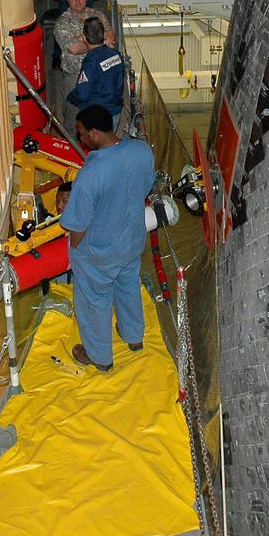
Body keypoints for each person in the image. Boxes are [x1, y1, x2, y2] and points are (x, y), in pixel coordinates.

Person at [58, 104, 155, 372]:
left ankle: (99, 356)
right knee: (127, 285)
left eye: (81, 134)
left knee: (93, 299)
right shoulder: (141, 151)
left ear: (95, 133)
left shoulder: (91, 173)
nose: (80, 139)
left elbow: (77, 222)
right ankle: (133, 336)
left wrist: (75, 250)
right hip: (132, 240)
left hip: (99, 251)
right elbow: (145, 186)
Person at [52, 0, 112, 124]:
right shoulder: (62, 23)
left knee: (99, 119)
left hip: (100, 75)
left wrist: (84, 41)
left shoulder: (97, 15)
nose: (78, 1)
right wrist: (100, 42)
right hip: (75, 77)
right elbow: (73, 48)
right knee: (73, 119)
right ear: (67, 0)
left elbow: (110, 34)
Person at [67, 17, 124, 131]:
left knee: (96, 146)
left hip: (96, 116)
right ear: (104, 36)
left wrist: (72, 96)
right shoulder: (116, 54)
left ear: (83, 38)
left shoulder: (91, 62)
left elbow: (83, 94)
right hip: (115, 111)